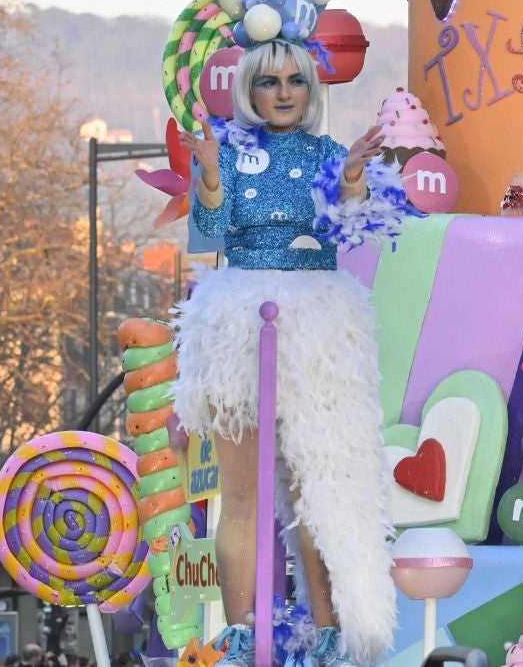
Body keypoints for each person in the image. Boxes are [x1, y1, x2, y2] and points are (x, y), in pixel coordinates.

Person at [174, 39, 409, 667]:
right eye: (268, 81)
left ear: (311, 89)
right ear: (248, 90)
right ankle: (245, 633)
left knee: (317, 490)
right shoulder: (226, 152)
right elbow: (210, 235)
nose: (282, 92)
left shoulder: (333, 155)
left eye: (295, 80)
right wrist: (214, 177)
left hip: (317, 328)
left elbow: (355, 231)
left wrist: (354, 179)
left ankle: (328, 634)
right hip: (236, 324)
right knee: (242, 494)